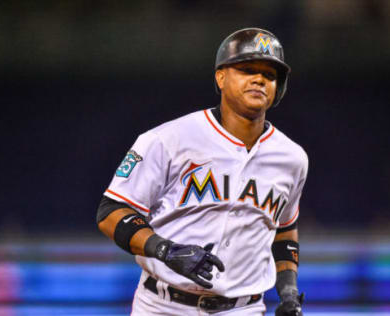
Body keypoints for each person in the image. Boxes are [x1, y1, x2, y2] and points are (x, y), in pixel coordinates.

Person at [96, 27, 308, 316]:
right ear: (220, 77)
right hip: (162, 306)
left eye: (270, 75)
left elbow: (284, 230)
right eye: (247, 69)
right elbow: (111, 213)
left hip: (243, 309)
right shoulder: (168, 139)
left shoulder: (292, 158)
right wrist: (166, 250)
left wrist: (288, 292)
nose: (259, 79)